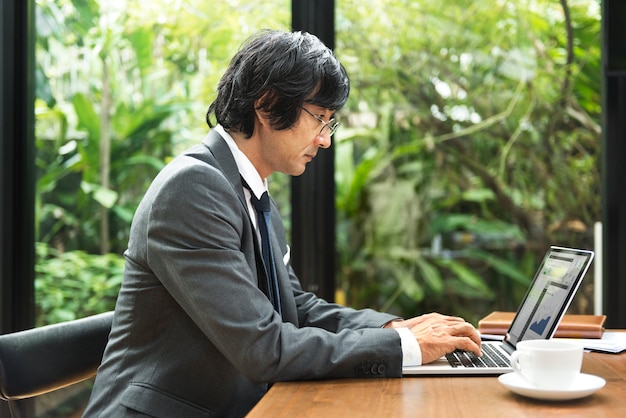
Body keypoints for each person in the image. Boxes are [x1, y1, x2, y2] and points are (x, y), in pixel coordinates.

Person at [82, 29, 481, 418]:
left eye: (331, 122)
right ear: (268, 102)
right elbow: (263, 346)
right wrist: (404, 347)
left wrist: (394, 327)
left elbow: (295, 308)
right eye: (319, 118)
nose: (325, 139)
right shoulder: (193, 189)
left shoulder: (248, 188)